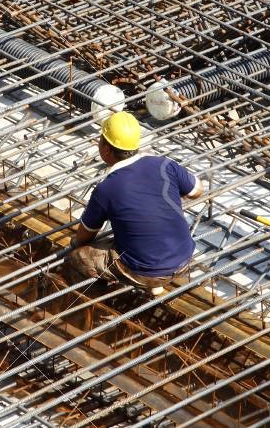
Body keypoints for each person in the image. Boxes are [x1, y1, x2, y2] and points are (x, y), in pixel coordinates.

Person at [65, 112, 204, 295]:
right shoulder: (164, 164)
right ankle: (154, 284)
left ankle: (101, 300)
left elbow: (85, 235)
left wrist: (75, 244)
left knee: (77, 258)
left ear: (106, 149)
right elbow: (197, 190)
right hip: (184, 260)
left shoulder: (106, 188)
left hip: (144, 271)